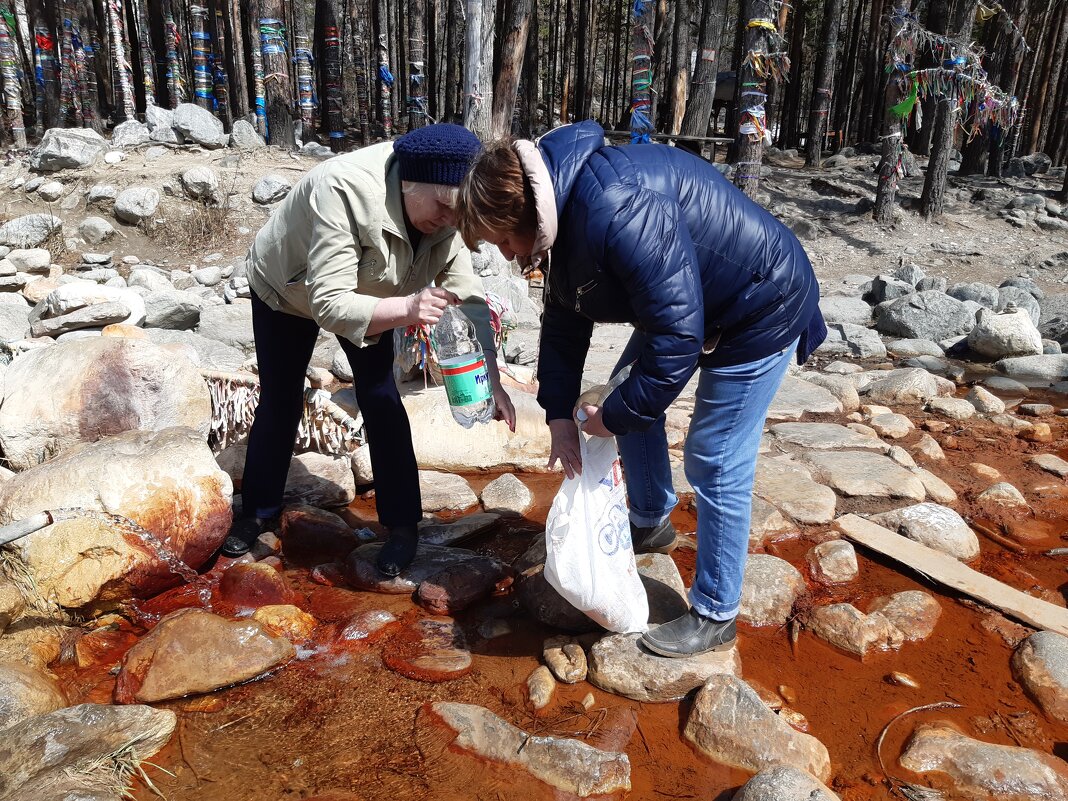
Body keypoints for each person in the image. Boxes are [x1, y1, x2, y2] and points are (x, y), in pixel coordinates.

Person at [457, 121, 826, 658]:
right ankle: (650, 521)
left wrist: (618, 415)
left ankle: (715, 613)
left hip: (761, 302)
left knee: (715, 457)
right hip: (696, 307)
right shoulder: (559, 214)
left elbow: (678, 337)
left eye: (504, 241)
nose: (511, 256)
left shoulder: (616, 206)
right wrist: (559, 413)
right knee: (620, 403)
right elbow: (564, 321)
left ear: (521, 214)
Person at [227, 123, 516, 577]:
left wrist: (492, 378)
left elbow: (469, 296)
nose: (449, 221)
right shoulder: (341, 188)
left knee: (381, 396)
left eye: (458, 213)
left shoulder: (449, 206)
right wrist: (409, 307)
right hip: (289, 288)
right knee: (280, 397)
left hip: (377, 291)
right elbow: (328, 301)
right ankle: (258, 512)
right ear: (407, 182)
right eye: (443, 208)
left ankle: (403, 527)